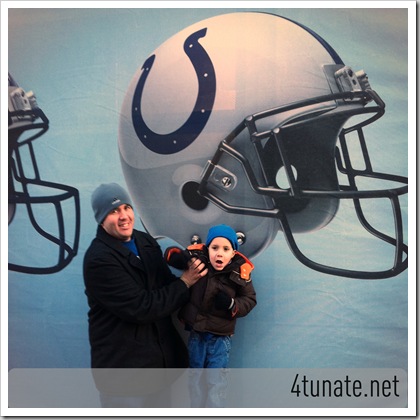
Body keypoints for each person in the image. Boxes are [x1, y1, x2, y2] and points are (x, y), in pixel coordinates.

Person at [83, 182, 207, 407]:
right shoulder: (99, 260)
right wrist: (186, 281)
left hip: (159, 367)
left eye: (126, 208)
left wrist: (202, 284)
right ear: (101, 219)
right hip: (124, 374)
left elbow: (164, 282)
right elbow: (142, 307)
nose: (123, 216)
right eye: (113, 211)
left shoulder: (143, 240)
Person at [165, 224, 257, 407]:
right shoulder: (198, 259)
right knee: (194, 378)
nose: (219, 254)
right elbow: (171, 255)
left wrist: (232, 304)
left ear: (233, 253)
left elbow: (250, 300)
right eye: (215, 248)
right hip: (197, 334)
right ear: (207, 249)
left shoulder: (240, 272)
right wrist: (178, 256)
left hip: (220, 339)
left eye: (225, 249)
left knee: (216, 383)